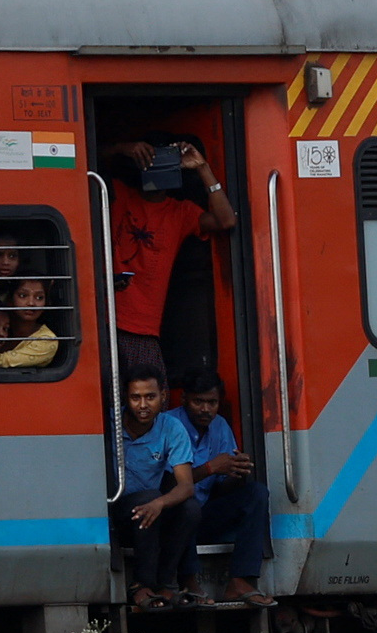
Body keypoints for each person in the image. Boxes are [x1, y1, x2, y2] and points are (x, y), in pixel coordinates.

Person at [98, 129, 234, 386]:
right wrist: (124, 147)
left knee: (150, 403)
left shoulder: (180, 212)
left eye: (163, 158)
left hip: (144, 328)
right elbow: (79, 161)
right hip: (104, 321)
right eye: (150, 157)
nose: (156, 165)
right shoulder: (117, 193)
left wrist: (201, 166)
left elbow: (225, 220)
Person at [173, 371, 271, 605]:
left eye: (212, 403)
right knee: (187, 504)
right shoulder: (170, 424)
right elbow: (168, 484)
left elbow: (221, 488)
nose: (205, 409)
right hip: (174, 519)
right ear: (184, 399)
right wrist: (210, 467)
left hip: (205, 515)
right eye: (198, 402)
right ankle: (189, 581)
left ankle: (239, 580)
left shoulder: (220, 426)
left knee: (256, 493)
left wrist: (235, 472)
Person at [114, 372, 199, 607]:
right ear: (125, 398)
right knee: (150, 499)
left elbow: (186, 485)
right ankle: (141, 584)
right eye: (135, 397)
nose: (143, 405)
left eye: (150, 397)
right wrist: (155, 502)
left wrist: (160, 503)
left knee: (190, 508)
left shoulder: (171, 427)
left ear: (163, 397)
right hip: (116, 510)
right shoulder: (110, 424)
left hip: (151, 508)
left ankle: (165, 582)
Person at [0, 276, 59, 370]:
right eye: (23, 296)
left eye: (39, 297)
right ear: (10, 299)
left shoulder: (47, 340)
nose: (31, 303)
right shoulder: (0, 325)